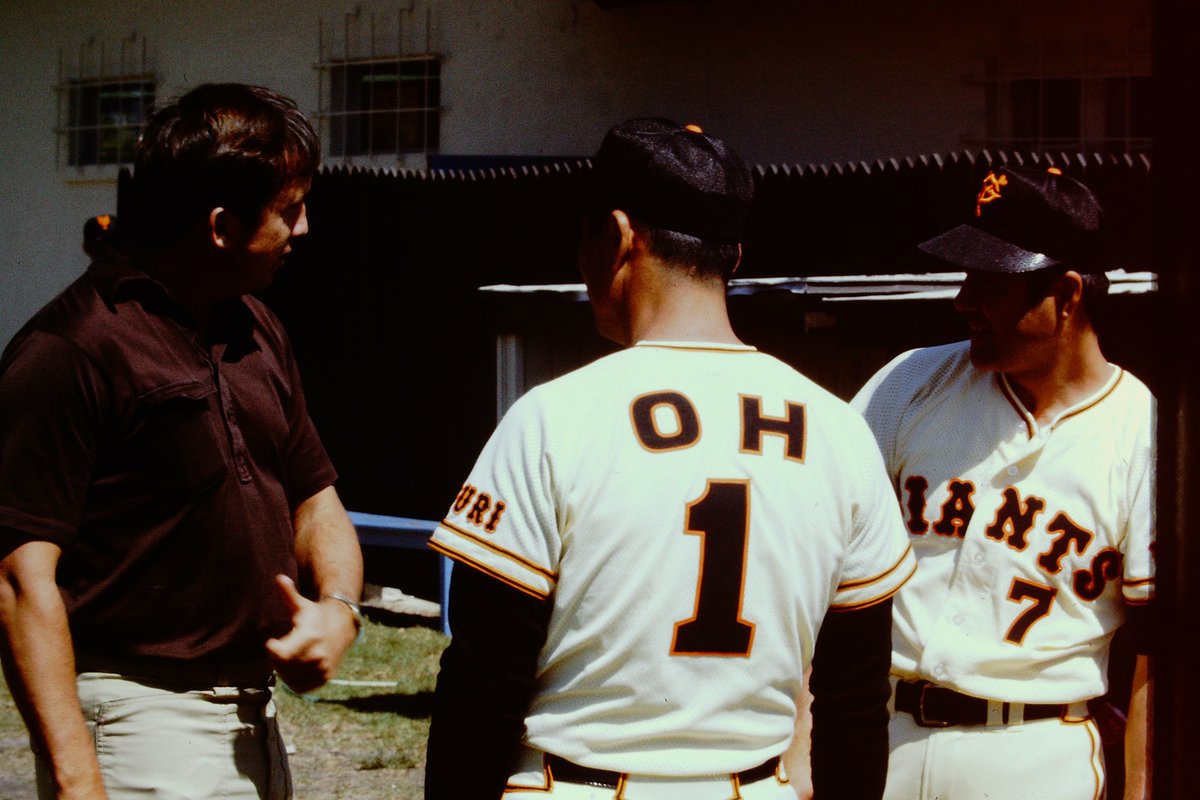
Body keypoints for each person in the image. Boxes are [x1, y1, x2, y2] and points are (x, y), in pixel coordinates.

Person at [423, 117, 916, 800]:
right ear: (732, 256)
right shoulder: (838, 429)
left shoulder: (553, 416)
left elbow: (482, 687)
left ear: (620, 237)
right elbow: (855, 703)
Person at [0, 83, 364, 800]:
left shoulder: (256, 327)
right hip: (139, 725)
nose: (305, 228)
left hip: (254, 725)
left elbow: (318, 504)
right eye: (289, 210)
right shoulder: (70, 349)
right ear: (222, 226)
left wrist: (340, 612)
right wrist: (76, 780)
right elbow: (19, 582)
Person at [851, 165, 1154, 800]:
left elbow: (1163, 652)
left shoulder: (1144, 432)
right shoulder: (910, 381)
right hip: (882, 738)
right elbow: (813, 568)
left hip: (1036, 753)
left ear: (1067, 296)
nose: (964, 300)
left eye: (991, 283)